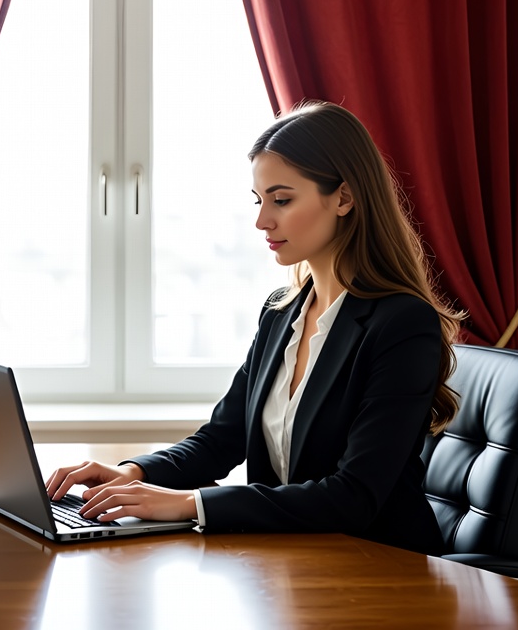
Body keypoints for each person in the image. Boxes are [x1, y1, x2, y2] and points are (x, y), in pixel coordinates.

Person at [46, 101, 463, 555]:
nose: (262, 221)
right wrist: (134, 473)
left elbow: (353, 497)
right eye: (260, 200)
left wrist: (188, 503)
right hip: (290, 563)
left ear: (344, 197)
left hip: (379, 569)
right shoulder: (281, 311)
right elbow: (221, 439)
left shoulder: (401, 324)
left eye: (282, 200)